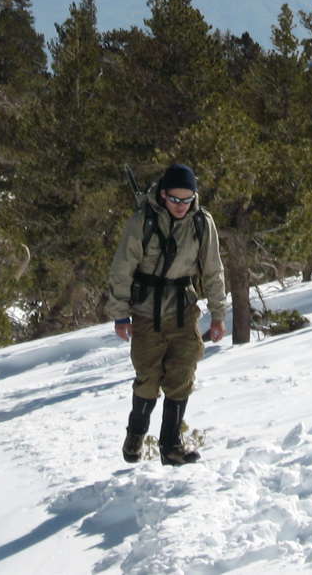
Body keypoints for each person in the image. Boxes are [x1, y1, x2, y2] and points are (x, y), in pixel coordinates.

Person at [106, 163, 229, 465]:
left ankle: (171, 446)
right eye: (175, 199)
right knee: (148, 378)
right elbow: (122, 268)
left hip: (184, 311)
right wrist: (120, 315)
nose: (180, 205)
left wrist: (218, 315)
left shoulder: (202, 223)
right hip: (146, 312)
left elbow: (213, 270)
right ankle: (136, 435)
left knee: (182, 375)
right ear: (163, 194)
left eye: (187, 199)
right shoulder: (143, 221)